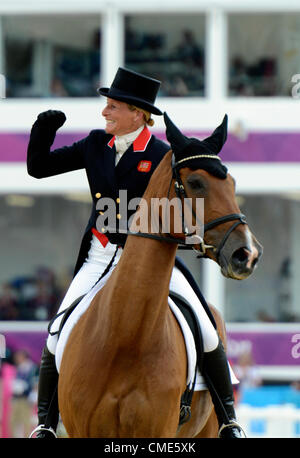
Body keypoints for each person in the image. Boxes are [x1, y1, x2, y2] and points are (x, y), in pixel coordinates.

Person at [27, 67, 243, 438]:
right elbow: (38, 168)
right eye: (106, 105)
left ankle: (228, 423)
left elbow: (183, 207)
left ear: (137, 114)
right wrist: (43, 131)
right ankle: (46, 425)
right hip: (100, 256)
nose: (104, 112)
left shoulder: (163, 156)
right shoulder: (96, 145)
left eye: (113, 106)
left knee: (207, 329)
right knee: (56, 332)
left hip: (148, 261)